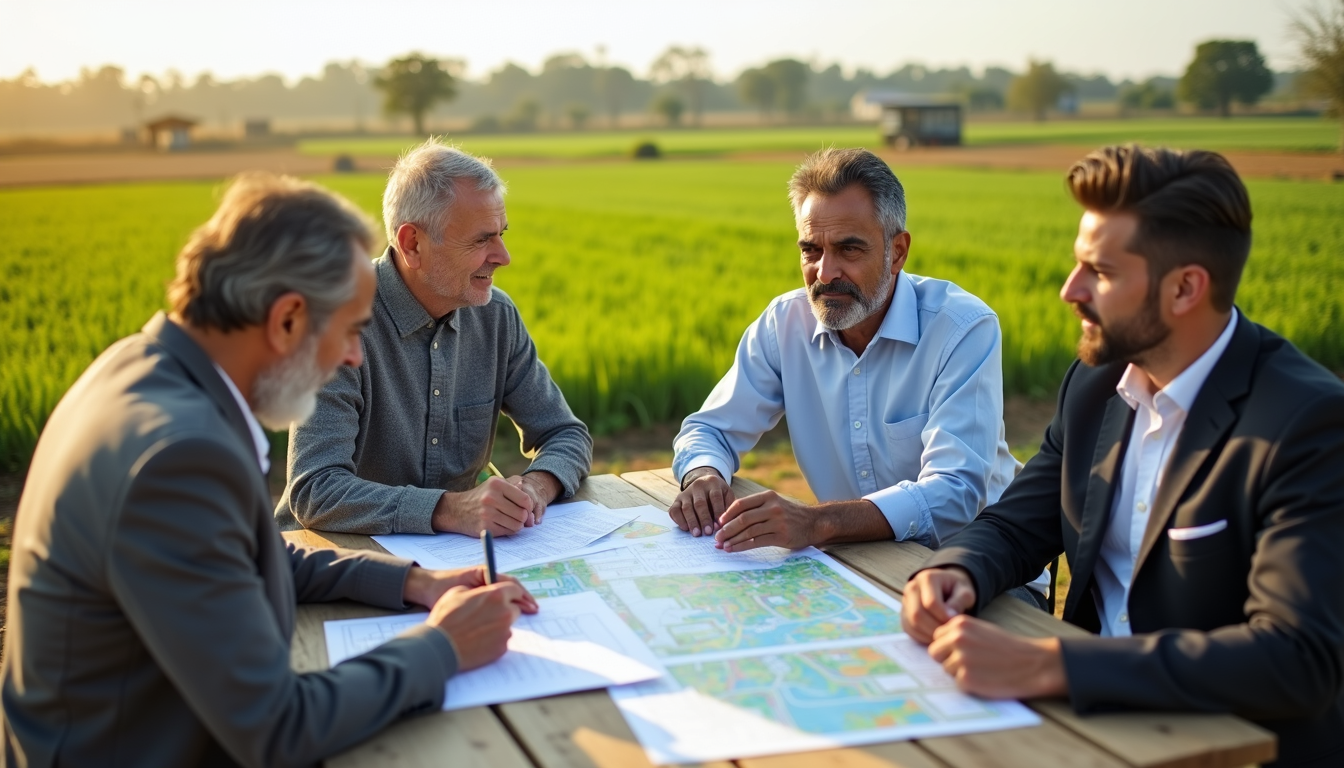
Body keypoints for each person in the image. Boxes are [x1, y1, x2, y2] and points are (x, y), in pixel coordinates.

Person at [1, 174, 538, 767]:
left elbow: (239, 552)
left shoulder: (138, 368)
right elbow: (277, 728)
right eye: (352, 330)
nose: (356, 356)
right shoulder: (181, 458)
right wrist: (444, 645)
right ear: (287, 320)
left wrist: (411, 582)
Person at [902, 145, 1344, 768]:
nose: (1069, 290)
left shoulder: (1305, 423)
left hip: (1225, 748)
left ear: (1186, 287)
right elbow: (1017, 522)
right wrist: (956, 570)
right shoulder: (1096, 383)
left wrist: (1050, 663)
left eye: (1100, 273)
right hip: (1081, 731)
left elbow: (1297, 658)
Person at [670, 148, 1037, 590]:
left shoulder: (962, 328)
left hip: (978, 572)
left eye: (849, 249)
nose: (825, 272)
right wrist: (703, 475)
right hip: (858, 567)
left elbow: (954, 492)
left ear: (896, 252)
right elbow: (709, 430)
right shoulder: (783, 324)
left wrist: (818, 523)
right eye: (811, 250)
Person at [275, 141, 591, 537]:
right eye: (481, 240)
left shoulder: (496, 317)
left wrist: (536, 487)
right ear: (413, 244)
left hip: (449, 562)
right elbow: (315, 490)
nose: (503, 256)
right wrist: (450, 509)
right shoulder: (335, 322)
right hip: (331, 566)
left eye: (500, 235)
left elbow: (566, 433)